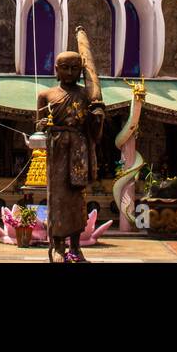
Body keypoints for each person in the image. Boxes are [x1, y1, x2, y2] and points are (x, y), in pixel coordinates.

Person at [36, 50, 105, 262]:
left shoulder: (87, 95)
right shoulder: (45, 95)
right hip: (57, 151)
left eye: (74, 68)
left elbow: (94, 132)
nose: (69, 72)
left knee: (77, 199)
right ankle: (57, 246)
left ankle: (75, 247)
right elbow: (38, 126)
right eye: (64, 67)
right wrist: (43, 125)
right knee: (57, 199)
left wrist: (97, 117)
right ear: (56, 70)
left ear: (81, 71)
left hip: (78, 151)